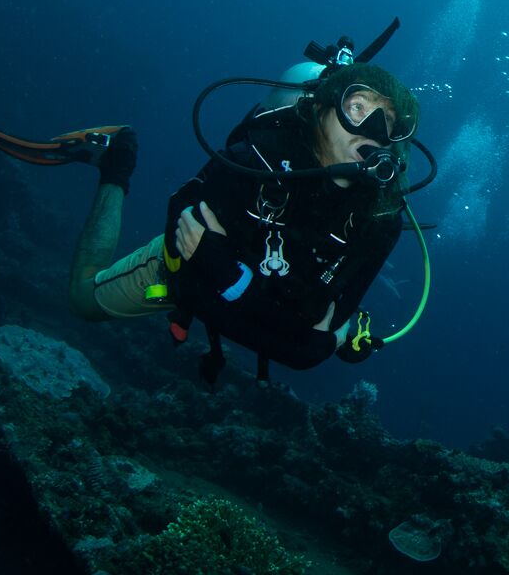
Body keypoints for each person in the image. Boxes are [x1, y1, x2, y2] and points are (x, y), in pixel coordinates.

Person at [65, 59, 422, 383]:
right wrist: (300, 333)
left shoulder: (380, 219)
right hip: (180, 272)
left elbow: (307, 348)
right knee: (84, 301)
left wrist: (226, 274)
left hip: (233, 281)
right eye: (357, 108)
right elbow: (189, 278)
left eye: (386, 122)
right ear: (320, 109)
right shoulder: (254, 159)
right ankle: (116, 165)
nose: (371, 130)